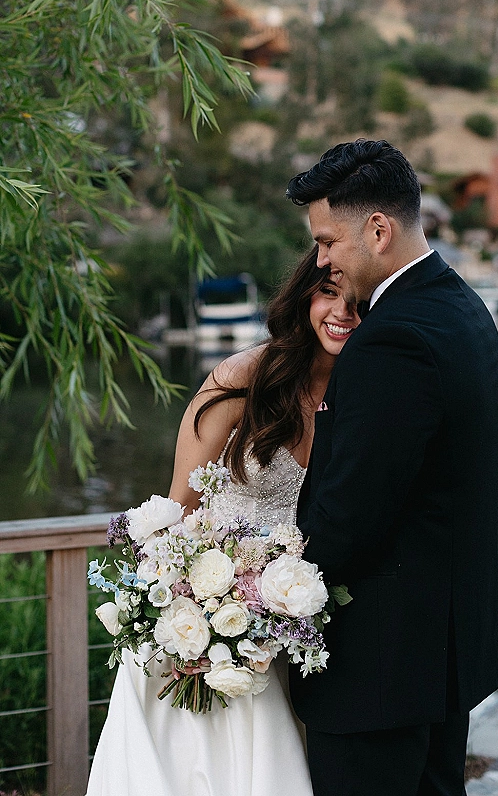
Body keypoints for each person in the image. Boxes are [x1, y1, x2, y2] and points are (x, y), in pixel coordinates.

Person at [85, 247, 360, 796]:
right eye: (329, 293)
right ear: (304, 296)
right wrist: (184, 618)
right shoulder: (242, 377)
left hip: (295, 632)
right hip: (201, 630)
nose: (343, 313)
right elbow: (177, 510)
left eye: (359, 302)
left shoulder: (370, 393)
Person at [285, 139, 498, 796]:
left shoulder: (393, 339)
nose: (321, 258)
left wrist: (275, 588)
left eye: (327, 241)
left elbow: (349, 519)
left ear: (378, 230)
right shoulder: (464, 310)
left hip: (379, 672)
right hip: (441, 660)